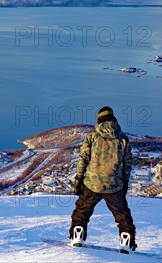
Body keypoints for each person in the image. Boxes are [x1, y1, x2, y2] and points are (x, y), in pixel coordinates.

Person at [70, 106, 137, 253]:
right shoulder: (123, 139)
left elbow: (83, 160)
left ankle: (77, 237)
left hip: (92, 183)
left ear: (99, 120)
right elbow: (128, 163)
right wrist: (124, 181)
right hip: (114, 185)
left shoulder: (92, 137)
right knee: (122, 215)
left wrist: (79, 179)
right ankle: (126, 243)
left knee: (82, 211)